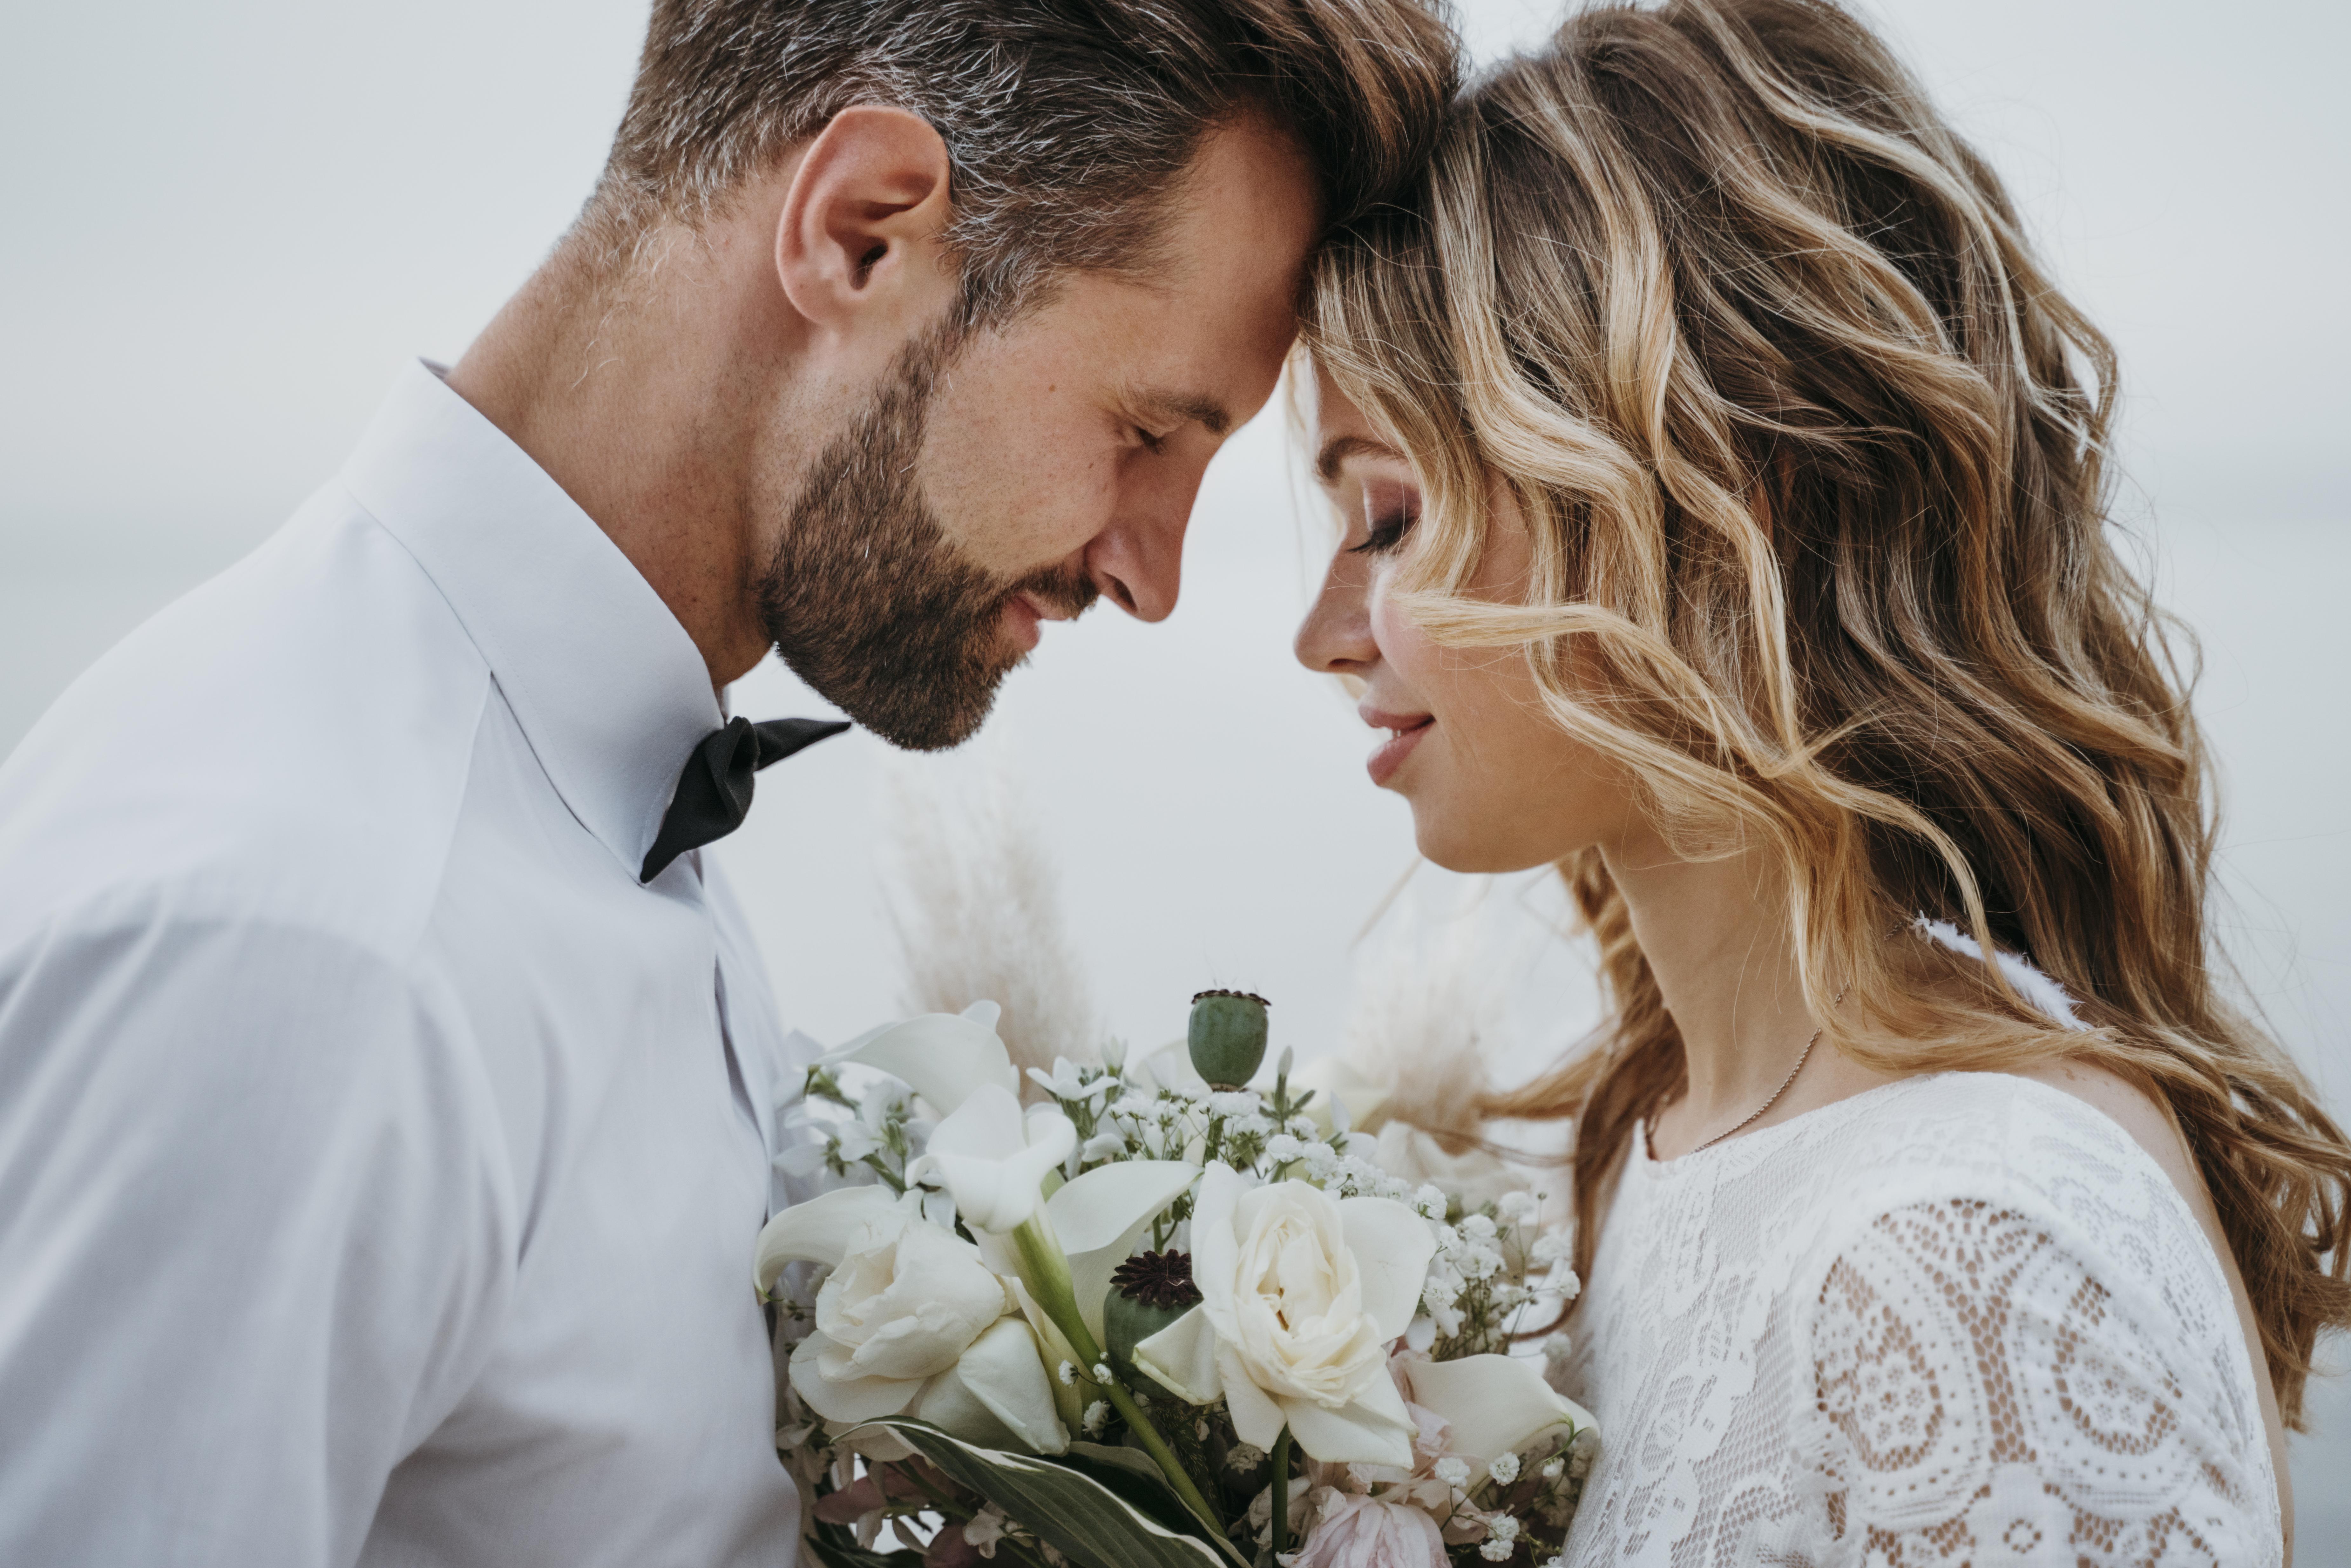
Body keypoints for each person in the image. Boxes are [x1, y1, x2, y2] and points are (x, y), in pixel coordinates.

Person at [0, 3, 1454, 1564]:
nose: (1149, 573)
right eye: (1146, 430)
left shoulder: (575, 795)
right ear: (859, 232)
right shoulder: (312, 940)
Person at [1293, 0, 2350, 1561]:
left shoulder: (1965, 1256)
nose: (1318, 636)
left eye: (1388, 520)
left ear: (1723, 507)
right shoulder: (1659, 1132)